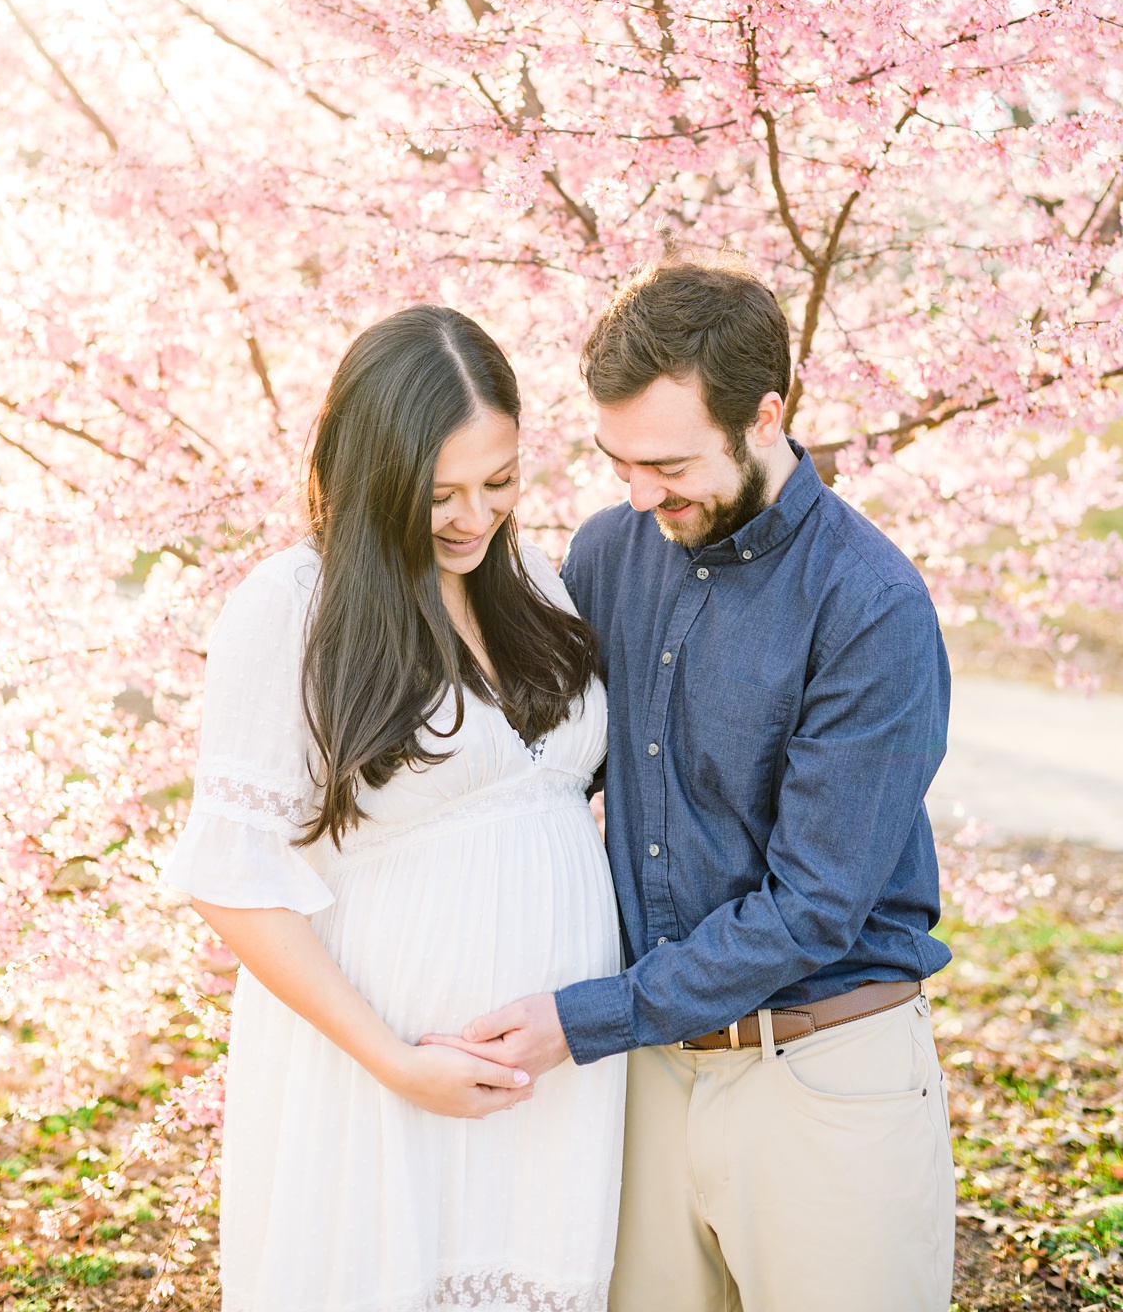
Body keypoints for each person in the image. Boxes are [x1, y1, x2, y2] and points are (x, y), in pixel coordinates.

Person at [437, 260, 955, 1312]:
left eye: (669, 463)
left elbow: (812, 904)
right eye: (617, 460)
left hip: (822, 1073)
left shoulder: (870, 605)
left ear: (767, 417)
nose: (639, 494)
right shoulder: (608, 549)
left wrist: (580, 1020)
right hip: (647, 1075)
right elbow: (525, 770)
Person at [159, 306, 625, 1312]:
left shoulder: (535, 580)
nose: (474, 515)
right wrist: (397, 1062)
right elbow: (231, 881)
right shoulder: (292, 604)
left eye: (498, 482)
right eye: (439, 494)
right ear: (370, 471)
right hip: (380, 1066)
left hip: (556, 1072)